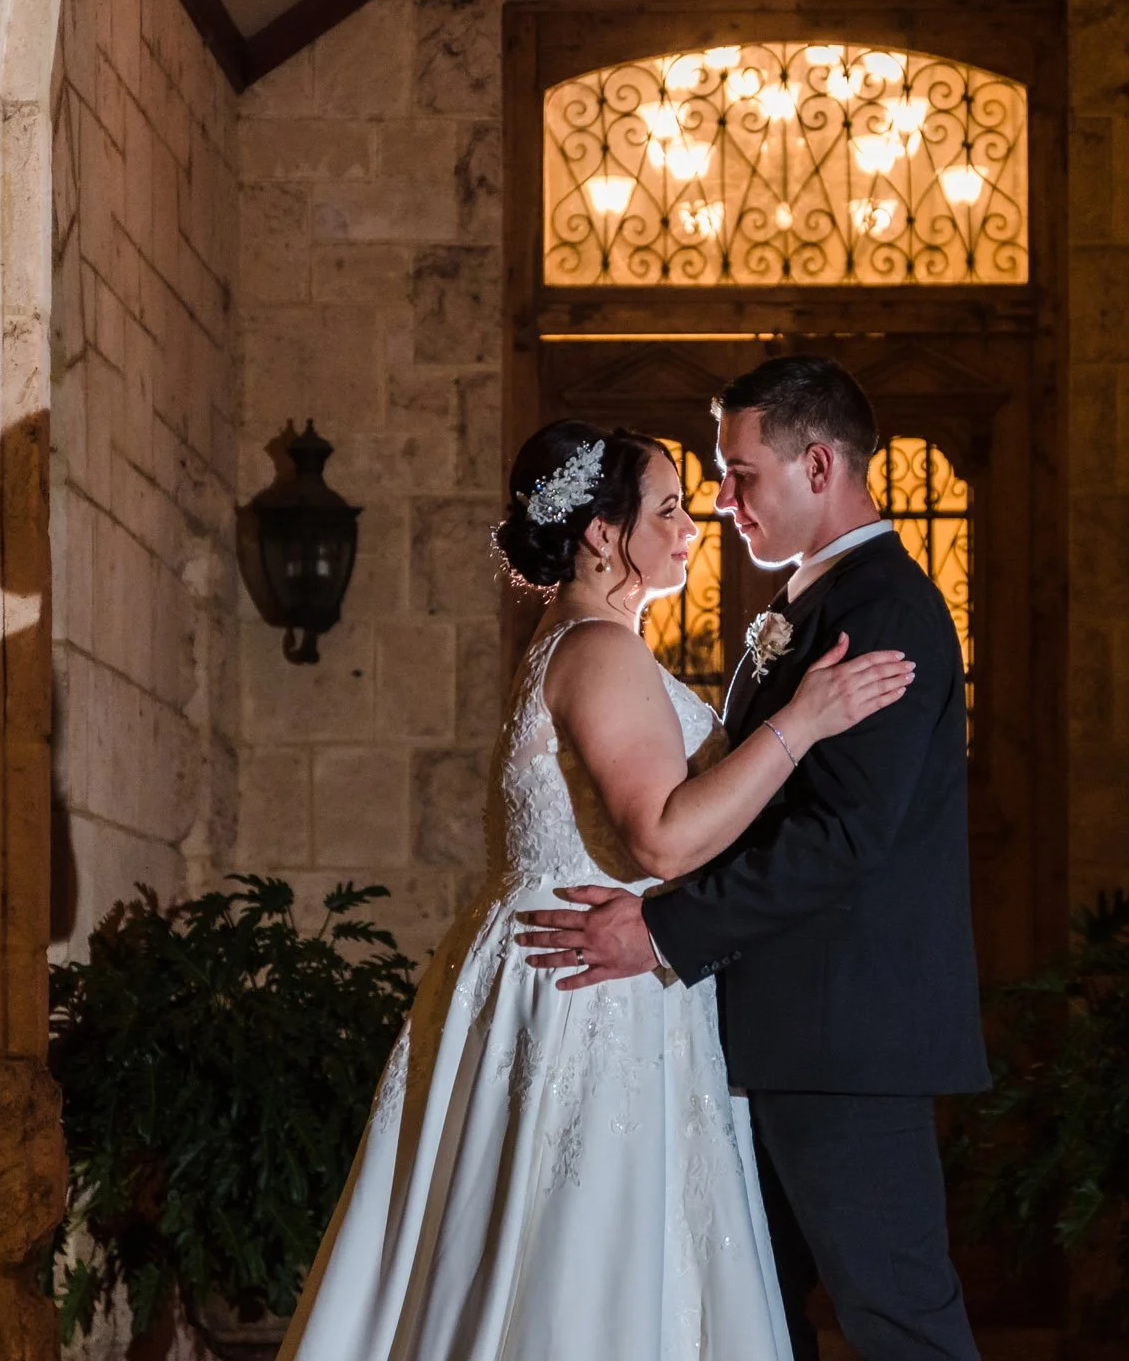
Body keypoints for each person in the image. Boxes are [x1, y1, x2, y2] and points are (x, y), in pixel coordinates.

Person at [278, 419, 916, 1361]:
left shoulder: (573, 641)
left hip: (573, 966)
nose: (691, 526)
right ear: (599, 533)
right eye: (665, 508)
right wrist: (804, 720)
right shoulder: (599, 649)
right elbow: (661, 836)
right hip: (596, 992)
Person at [517, 356, 988, 1361]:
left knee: (898, 1319)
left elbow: (845, 835)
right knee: (759, 1320)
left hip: (845, 1035)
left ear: (820, 465)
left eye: (741, 475)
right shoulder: (814, 605)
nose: (723, 503)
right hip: (772, 1028)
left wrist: (663, 931)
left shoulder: (886, 612)